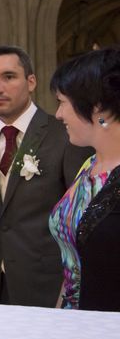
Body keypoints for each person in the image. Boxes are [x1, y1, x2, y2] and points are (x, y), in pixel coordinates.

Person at [0, 45, 92, 307]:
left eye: (8, 76)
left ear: (31, 82)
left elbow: (80, 219)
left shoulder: (64, 136)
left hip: (48, 286)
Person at [49, 46, 120, 311]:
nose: (58, 114)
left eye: (62, 102)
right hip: (74, 322)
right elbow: (72, 265)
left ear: (96, 105)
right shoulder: (88, 166)